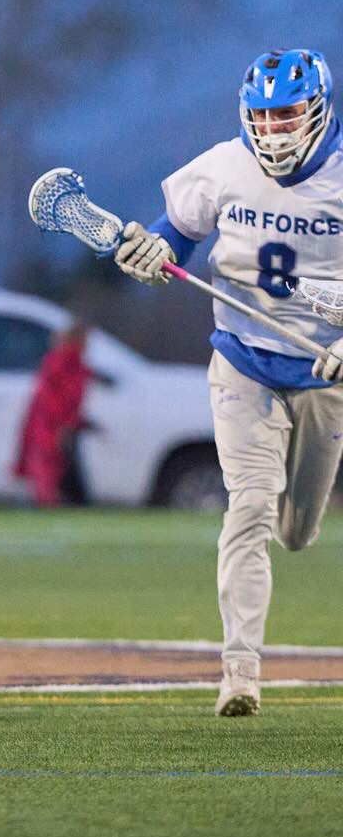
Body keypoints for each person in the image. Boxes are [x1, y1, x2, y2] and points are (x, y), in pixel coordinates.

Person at [114, 48, 343, 717]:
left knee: (296, 529)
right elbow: (173, 238)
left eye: (289, 113)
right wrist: (151, 253)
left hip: (324, 372)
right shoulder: (222, 166)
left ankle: (288, 513)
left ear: (320, 110)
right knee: (247, 505)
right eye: (264, 116)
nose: (274, 129)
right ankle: (239, 671)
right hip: (243, 357)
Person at [14, 322, 95, 507]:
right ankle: (47, 501)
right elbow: (56, 398)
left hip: (56, 423)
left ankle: (52, 499)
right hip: (51, 424)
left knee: (60, 466)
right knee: (48, 464)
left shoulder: (73, 363)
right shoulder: (63, 362)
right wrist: (65, 423)